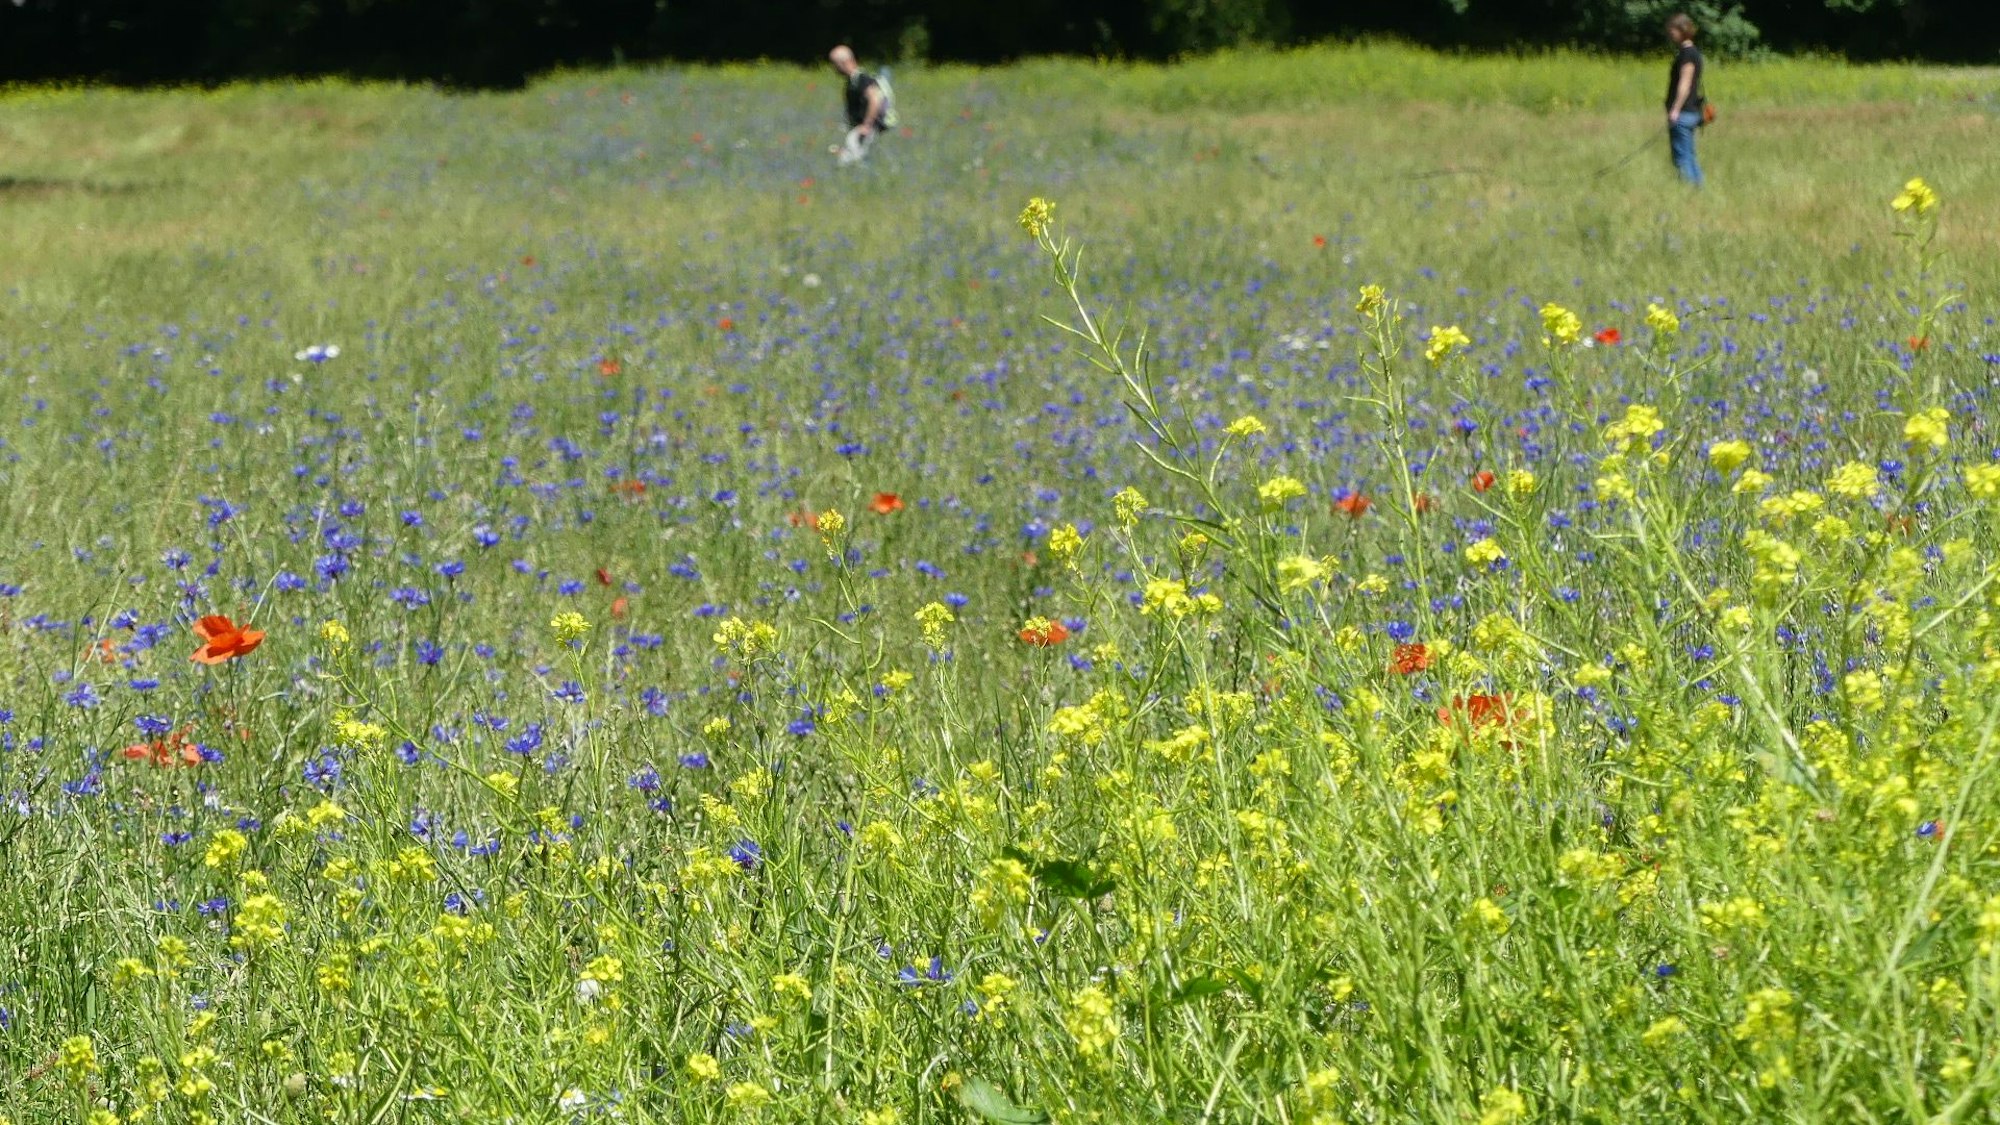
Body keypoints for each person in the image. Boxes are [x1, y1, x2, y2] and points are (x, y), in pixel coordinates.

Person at [1664, 14, 1706, 187]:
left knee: (1682, 156)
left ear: (1683, 30)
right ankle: (1699, 188)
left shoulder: (1688, 55)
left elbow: (1685, 84)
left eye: (1672, 31)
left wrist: (1675, 109)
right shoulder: (1691, 53)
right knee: (1689, 154)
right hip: (1690, 112)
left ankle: (1691, 190)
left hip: (1683, 113)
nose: (1670, 34)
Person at [828, 45, 886, 166]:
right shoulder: (853, 80)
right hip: (859, 128)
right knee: (855, 160)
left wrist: (867, 125)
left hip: (865, 129)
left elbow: (875, 99)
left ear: (844, 62)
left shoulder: (861, 79)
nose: (834, 68)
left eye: (835, 64)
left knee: (852, 163)